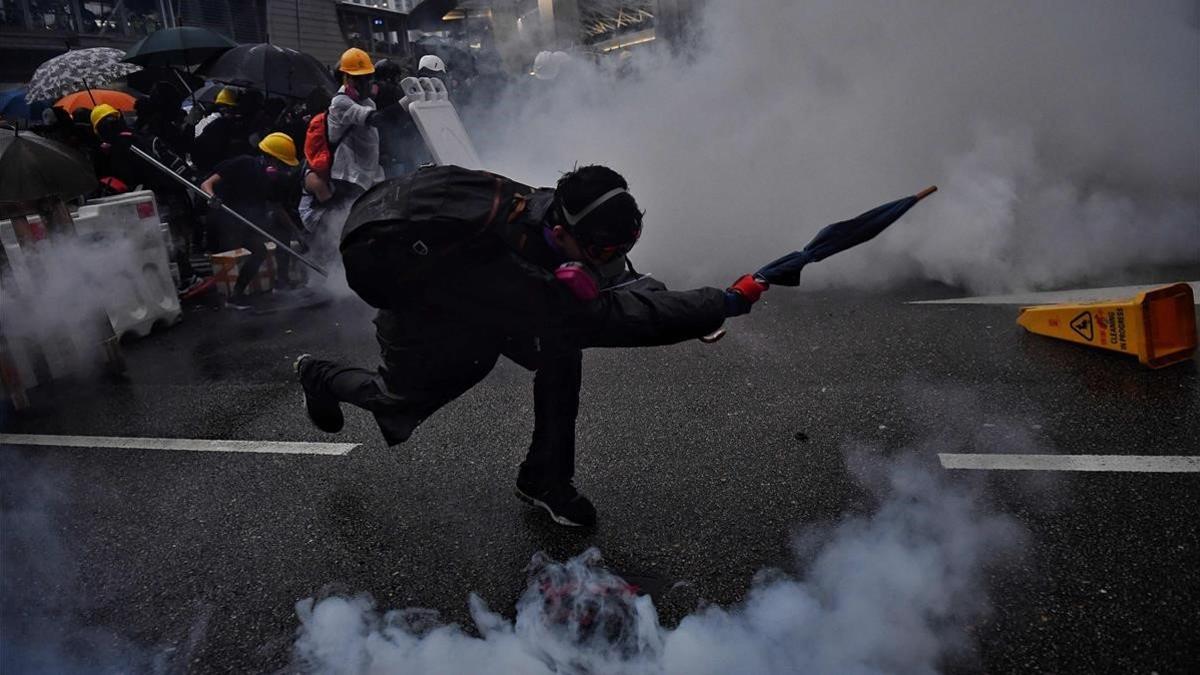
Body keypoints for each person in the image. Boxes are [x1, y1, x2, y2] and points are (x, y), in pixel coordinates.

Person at [294, 165, 770, 527]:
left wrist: (672, 304)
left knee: (560, 353)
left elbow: (615, 279)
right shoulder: (503, 271)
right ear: (562, 235)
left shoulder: (547, 208)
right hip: (423, 299)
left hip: (469, 285)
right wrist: (715, 306)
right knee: (403, 399)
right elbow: (608, 317)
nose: (611, 261)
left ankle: (544, 478)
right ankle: (318, 375)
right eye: (600, 252)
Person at [91, 103, 205, 293]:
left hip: (156, 197)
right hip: (172, 192)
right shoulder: (140, 137)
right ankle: (186, 275)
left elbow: (127, 177)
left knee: (168, 239)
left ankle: (184, 277)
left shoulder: (120, 148)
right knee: (176, 237)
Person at [199, 132, 303, 307]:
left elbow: (277, 208)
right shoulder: (243, 163)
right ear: (270, 158)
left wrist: (297, 233)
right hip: (228, 218)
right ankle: (234, 298)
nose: (284, 169)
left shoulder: (273, 180)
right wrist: (212, 197)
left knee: (280, 231)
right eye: (282, 164)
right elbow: (206, 184)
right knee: (259, 250)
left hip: (251, 218)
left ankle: (282, 282)